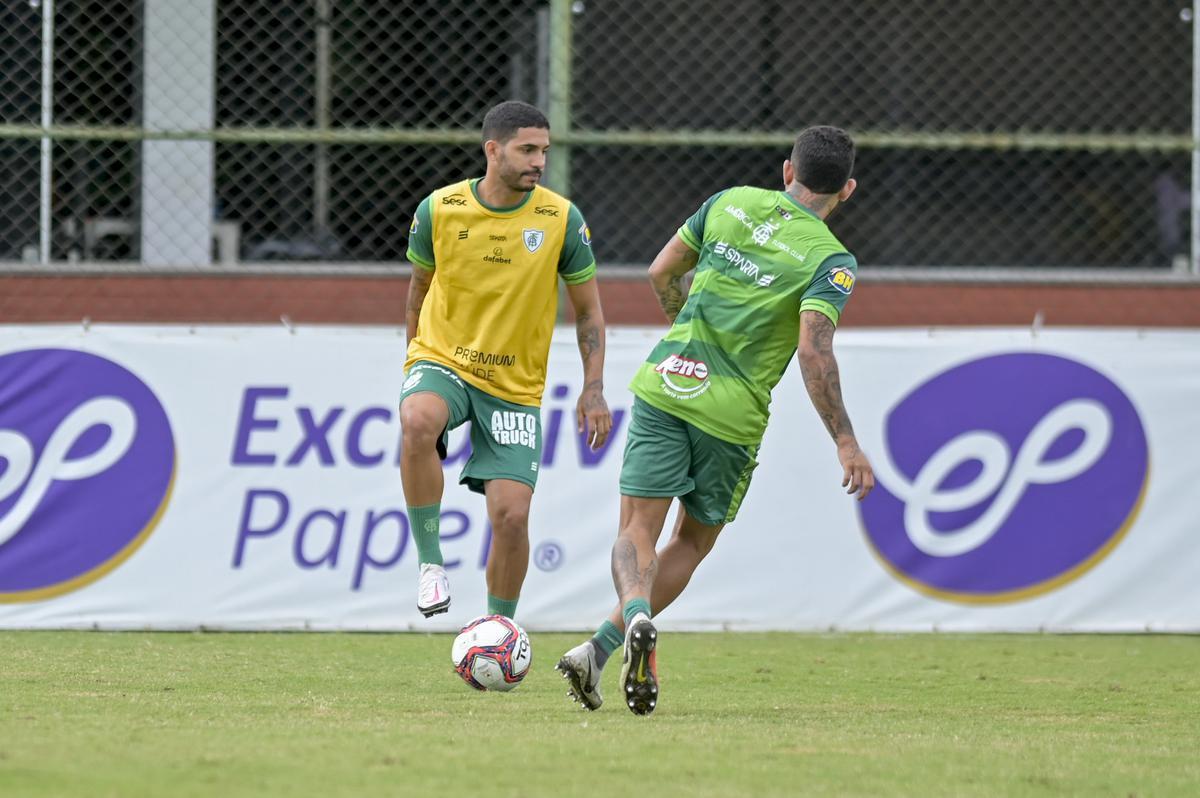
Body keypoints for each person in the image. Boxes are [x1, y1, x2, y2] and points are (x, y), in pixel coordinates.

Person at [556, 125, 875, 715]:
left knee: (636, 532)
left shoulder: (729, 202)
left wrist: (683, 326)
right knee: (691, 541)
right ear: (847, 191)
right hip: (732, 416)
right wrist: (846, 440)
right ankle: (603, 651)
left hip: (667, 384)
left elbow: (659, 271)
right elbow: (814, 350)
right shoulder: (832, 261)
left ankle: (627, 625)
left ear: (787, 171)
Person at [400, 100, 612, 621]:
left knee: (512, 518)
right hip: (444, 360)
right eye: (527, 150)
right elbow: (417, 292)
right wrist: (413, 362)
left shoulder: (561, 219)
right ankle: (430, 565)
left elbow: (589, 313)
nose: (539, 161)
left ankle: (499, 629)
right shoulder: (439, 210)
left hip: (513, 387)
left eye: (544, 150)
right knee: (417, 419)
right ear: (492, 150)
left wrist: (593, 387)